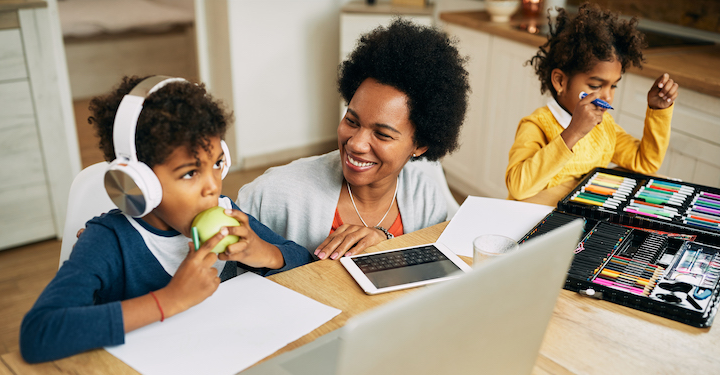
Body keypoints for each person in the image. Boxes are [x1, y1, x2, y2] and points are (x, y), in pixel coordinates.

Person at [20, 76, 312, 363]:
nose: (213, 185)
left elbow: (309, 266)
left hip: (219, 361)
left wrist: (264, 252)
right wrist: (171, 300)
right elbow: (39, 333)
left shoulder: (228, 215)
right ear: (138, 183)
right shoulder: (108, 241)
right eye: (189, 173)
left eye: (217, 164)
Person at [237, 19, 470, 259]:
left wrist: (385, 240)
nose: (356, 144)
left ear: (419, 145)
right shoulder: (274, 193)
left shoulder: (426, 199)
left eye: (382, 134)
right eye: (352, 121)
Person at [505, 3, 679, 201]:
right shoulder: (536, 125)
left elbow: (645, 163)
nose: (607, 97)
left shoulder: (605, 128)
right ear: (560, 81)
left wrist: (657, 110)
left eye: (613, 86)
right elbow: (518, 187)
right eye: (596, 85)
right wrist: (572, 133)